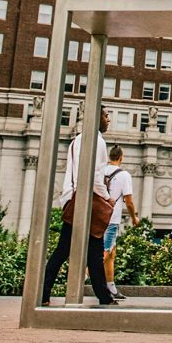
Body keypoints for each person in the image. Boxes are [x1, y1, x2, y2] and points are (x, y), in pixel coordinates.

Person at [42, 109, 116, 307]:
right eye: (105, 115)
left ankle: (44, 293)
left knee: (65, 250)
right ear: (96, 117)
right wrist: (108, 199)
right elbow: (95, 176)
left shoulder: (77, 140)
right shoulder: (97, 141)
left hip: (72, 198)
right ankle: (104, 296)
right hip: (86, 201)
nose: (108, 119)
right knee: (94, 250)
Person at [102, 144, 139, 301]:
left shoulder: (101, 171)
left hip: (98, 217)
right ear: (121, 157)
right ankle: (82, 277)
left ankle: (111, 286)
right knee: (104, 252)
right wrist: (134, 218)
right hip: (112, 219)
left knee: (111, 253)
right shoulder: (124, 175)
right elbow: (129, 201)